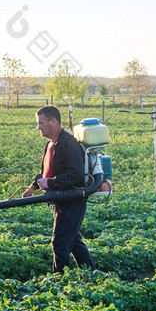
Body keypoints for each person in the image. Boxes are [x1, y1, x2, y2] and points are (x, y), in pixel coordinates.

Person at [22, 105, 96, 273]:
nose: (38, 127)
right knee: (74, 241)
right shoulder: (50, 144)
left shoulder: (68, 144)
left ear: (53, 121)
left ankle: (61, 282)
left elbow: (75, 174)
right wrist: (33, 187)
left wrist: (52, 183)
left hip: (71, 201)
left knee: (60, 243)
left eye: (41, 123)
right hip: (58, 201)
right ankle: (92, 275)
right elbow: (45, 172)